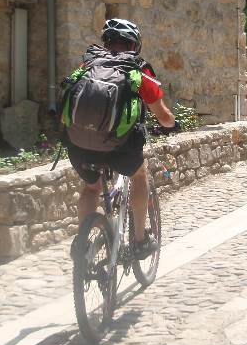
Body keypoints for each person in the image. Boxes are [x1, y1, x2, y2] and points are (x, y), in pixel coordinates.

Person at [61, 18, 177, 260]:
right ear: (135, 44)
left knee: (91, 188)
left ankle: (83, 242)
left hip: (78, 144)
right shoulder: (137, 69)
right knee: (139, 175)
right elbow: (163, 116)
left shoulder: (88, 64)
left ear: (106, 42)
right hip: (120, 147)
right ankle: (139, 241)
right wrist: (172, 124)